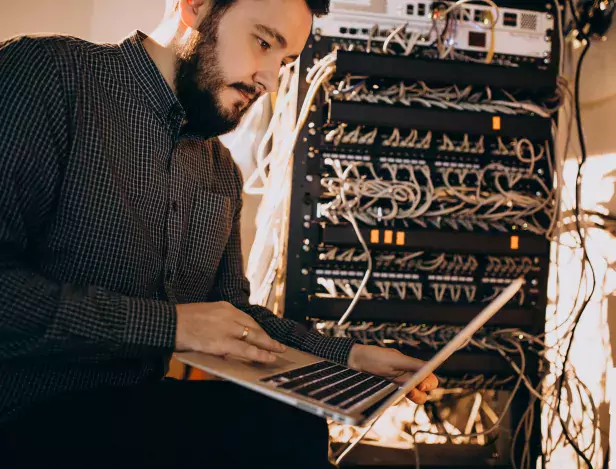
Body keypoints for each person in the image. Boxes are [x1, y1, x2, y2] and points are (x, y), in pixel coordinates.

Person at [0, 0, 438, 467]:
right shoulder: (47, 76)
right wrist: (171, 326)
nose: (269, 80)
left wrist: (347, 357)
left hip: (128, 418)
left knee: (291, 426)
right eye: (263, 42)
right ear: (195, 6)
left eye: (284, 62)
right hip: (23, 417)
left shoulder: (220, 171)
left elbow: (234, 316)